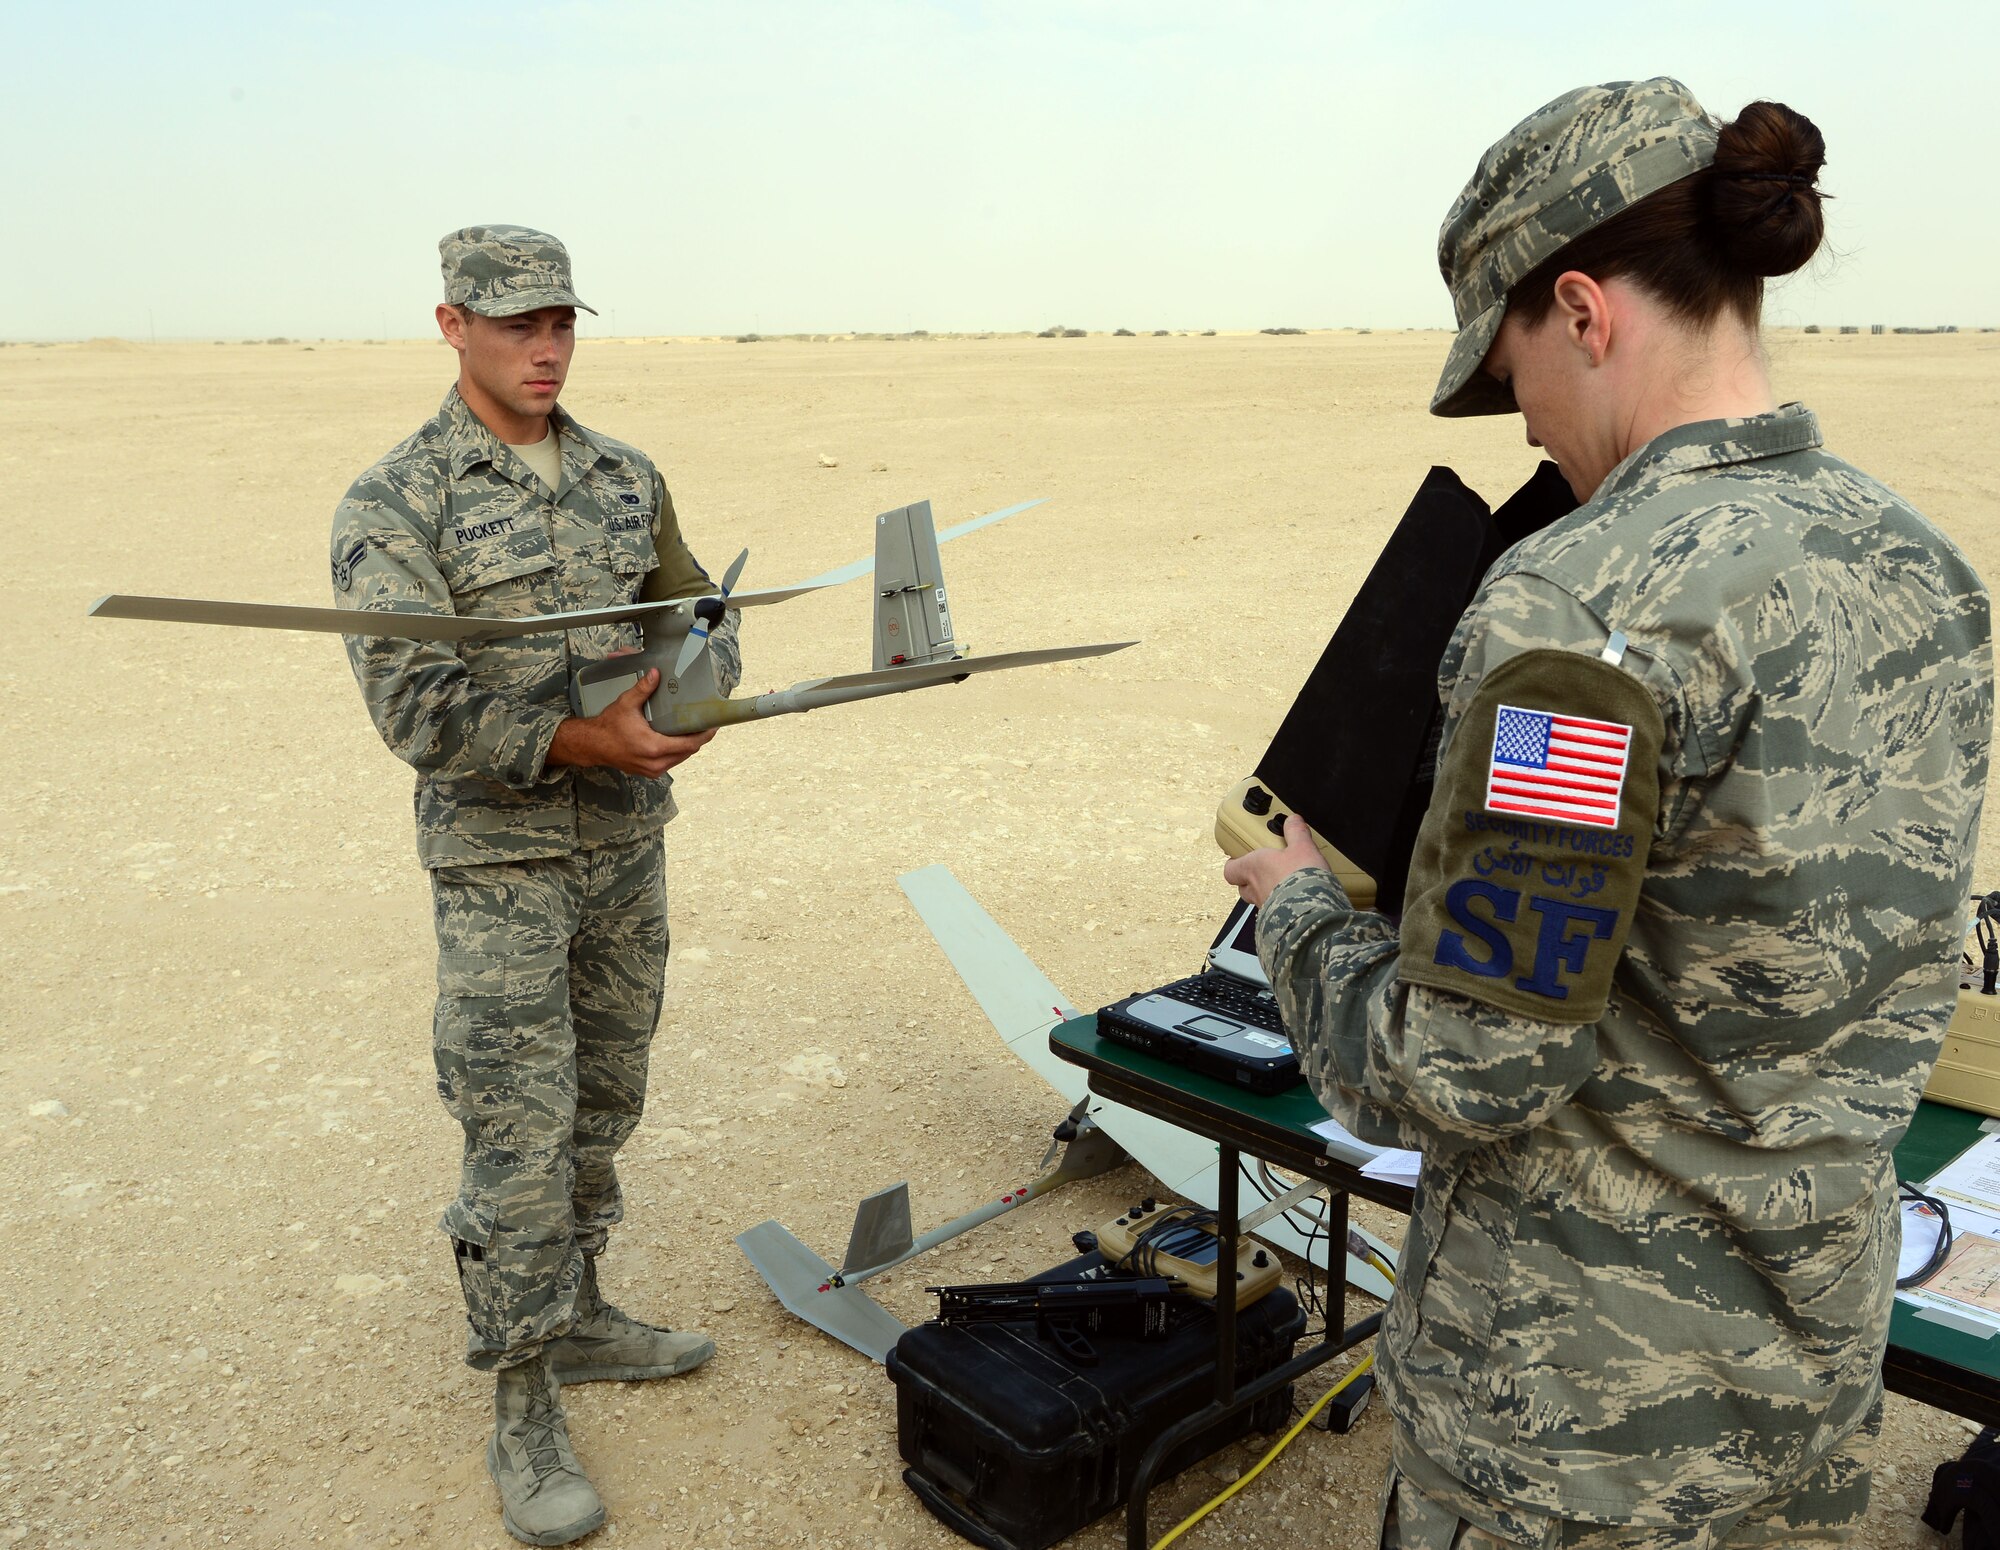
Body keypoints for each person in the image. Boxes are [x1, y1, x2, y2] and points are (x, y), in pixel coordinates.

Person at [1225, 79, 1993, 1549]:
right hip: (1809, 1398)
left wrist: (1297, 904)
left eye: (1513, 375)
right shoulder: (1925, 571)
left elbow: (1465, 1067)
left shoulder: (1581, 611)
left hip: (1577, 1442)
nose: (1526, 428)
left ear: (1584, 310)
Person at [331, 225, 740, 1547]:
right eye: (515, 324)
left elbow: (690, 618)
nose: (546, 347)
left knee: (604, 1101)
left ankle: (582, 1318)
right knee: (517, 1132)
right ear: (451, 326)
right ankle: (522, 1397)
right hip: (499, 860)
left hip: (626, 846)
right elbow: (411, 699)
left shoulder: (627, 478)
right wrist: (585, 736)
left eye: (561, 320)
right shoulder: (397, 502)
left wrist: (696, 693)